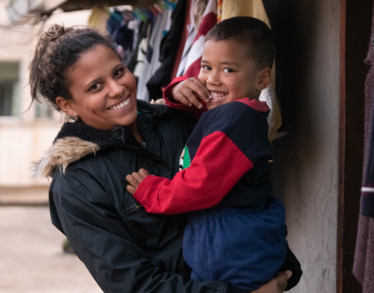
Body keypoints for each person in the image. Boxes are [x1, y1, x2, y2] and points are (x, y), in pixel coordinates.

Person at [30, 24, 298, 293]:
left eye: (118, 72)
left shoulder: (177, 121)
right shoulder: (77, 184)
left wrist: (278, 268)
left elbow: (243, 191)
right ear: (67, 105)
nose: (117, 89)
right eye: (95, 86)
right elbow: (132, 284)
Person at [125, 17, 300, 291]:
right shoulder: (234, 112)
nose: (212, 79)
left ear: (262, 78)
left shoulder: (235, 119)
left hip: (230, 248)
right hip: (231, 240)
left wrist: (153, 192)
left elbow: (200, 186)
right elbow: (197, 108)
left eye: (228, 69)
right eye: (206, 67)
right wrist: (177, 89)